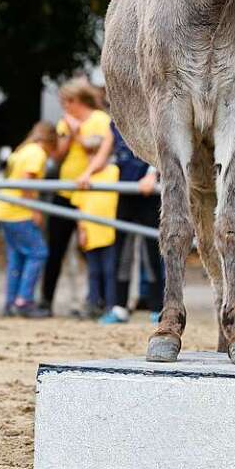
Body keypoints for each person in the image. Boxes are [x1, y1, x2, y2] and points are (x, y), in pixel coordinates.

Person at [40, 77, 113, 313]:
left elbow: (96, 149)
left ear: (75, 100)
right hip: (65, 191)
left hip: (91, 192)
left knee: (91, 249)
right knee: (55, 249)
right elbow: (57, 156)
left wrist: (77, 132)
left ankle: (97, 300)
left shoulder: (100, 119)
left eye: (65, 102)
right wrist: (69, 134)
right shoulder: (66, 122)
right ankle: (46, 300)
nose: (63, 107)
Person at [103, 121, 163, 324]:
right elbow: (106, 151)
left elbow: (161, 144)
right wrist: (87, 174)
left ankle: (157, 307)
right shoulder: (114, 121)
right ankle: (119, 306)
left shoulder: (149, 112)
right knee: (122, 251)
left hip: (148, 192)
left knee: (152, 252)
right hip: (125, 190)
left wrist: (152, 174)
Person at [0, 122, 57, 317]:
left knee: (16, 257)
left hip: (4, 210)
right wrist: (35, 210)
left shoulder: (23, 149)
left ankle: (11, 302)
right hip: (18, 212)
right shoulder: (37, 153)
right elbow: (26, 182)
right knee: (38, 252)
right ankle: (24, 301)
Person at [71, 163, 120, 319]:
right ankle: (93, 303)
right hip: (90, 231)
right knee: (93, 272)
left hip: (109, 230)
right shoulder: (84, 174)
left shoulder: (113, 170)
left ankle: (110, 305)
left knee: (109, 271)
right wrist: (81, 230)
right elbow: (79, 206)